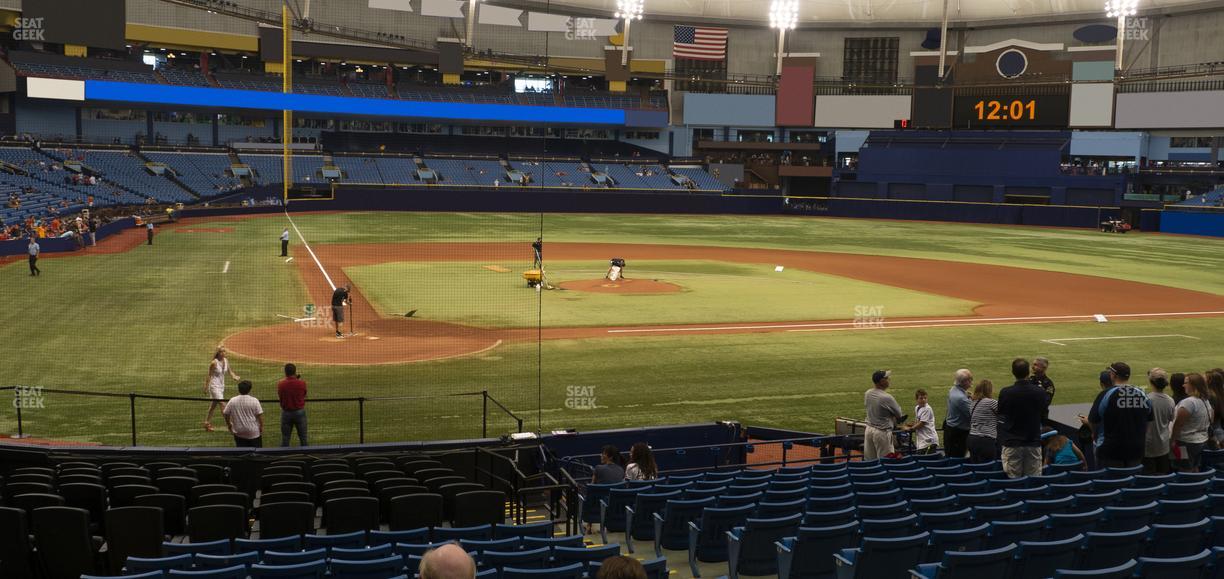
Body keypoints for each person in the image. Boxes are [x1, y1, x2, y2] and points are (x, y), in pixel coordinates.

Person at [1083, 362, 1153, 469]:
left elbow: (1093, 420)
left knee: (1110, 483)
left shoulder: (1106, 394)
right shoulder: (1141, 394)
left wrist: (1095, 435)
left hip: (1110, 451)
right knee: (1130, 481)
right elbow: (1149, 421)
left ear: (1113, 375)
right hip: (1136, 449)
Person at [998, 359, 1047, 477]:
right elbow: (1043, 412)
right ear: (1028, 372)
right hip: (1032, 441)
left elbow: (1001, 412)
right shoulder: (1040, 392)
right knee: (1033, 480)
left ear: (1013, 372)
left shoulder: (1006, 392)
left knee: (1014, 480)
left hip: (1012, 441)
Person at [1171, 373, 1214, 472]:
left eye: (1186, 383)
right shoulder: (1205, 400)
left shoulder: (1189, 402)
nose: (1183, 385)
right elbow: (1211, 418)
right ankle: (1197, 486)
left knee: (1184, 468)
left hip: (1185, 443)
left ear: (1193, 385)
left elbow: (1178, 424)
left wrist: (1172, 441)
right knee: (1194, 466)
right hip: (1201, 441)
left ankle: (1188, 487)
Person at [863, 370, 904, 460]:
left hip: (869, 430)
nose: (889, 379)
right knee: (887, 461)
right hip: (882, 433)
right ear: (881, 381)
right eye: (886, 378)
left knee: (870, 462)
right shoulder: (887, 397)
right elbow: (899, 415)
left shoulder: (868, 393)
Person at [1143, 368, 1175, 475]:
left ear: (1151, 382)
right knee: (1162, 475)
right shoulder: (1170, 400)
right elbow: (1171, 419)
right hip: (1163, 445)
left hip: (1148, 446)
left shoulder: (1146, 399)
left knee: (1148, 478)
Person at [203, 346, 241, 432]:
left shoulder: (226, 361)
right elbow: (209, 375)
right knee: (223, 404)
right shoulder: (214, 363)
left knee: (213, 406)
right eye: (222, 352)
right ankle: (230, 425)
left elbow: (230, 371)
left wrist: (234, 376)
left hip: (221, 386)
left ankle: (206, 423)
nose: (224, 353)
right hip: (214, 386)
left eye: (224, 352)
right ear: (218, 353)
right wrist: (206, 386)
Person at [223, 380, 264, 448]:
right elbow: (260, 416)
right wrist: (261, 426)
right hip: (253, 433)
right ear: (249, 389)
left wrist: (229, 424)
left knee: (241, 454)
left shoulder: (232, 400)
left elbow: (226, 414)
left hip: (239, 432)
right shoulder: (254, 400)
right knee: (257, 454)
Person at [277, 363, 308, 447]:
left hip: (286, 413)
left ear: (285, 372)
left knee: (285, 438)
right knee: (303, 438)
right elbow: (304, 394)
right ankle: (307, 456)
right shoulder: (302, 383)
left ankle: (284, 458)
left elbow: (280, 395)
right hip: (299, 413)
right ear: (295, 372)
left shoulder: (281, 384)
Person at [968, 379, 999, 463]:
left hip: (972, 438)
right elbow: (1005, 414)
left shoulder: (973, 403)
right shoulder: (991, 403)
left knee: (975, 466)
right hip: (986, 440)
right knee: (987, 467)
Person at [944, 369, 973, 458]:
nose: (972, 381)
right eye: (970, 379)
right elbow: (972, 414)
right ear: (964, 382)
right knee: (958, 458)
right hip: (958, 434)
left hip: (952, 429)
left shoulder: (954, 390)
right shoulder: (961, 398)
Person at [911, 390, 938, 454]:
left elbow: (922, 423)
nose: (923, 400)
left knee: (926, 460)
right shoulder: (917, 407)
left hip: (929, 440)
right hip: (923, 439)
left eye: (925, 398)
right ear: (916, 399)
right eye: (921, 398)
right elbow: (918, 421)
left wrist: (910, 429)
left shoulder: (927, 409)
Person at [1032, 357, 1055, 421]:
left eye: (1036, 365)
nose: (1032, 367)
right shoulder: (1029, 379)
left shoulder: (1048, 384)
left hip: (1039, 417)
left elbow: (1046, 402)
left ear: (1044, 368)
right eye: (1033, 364)